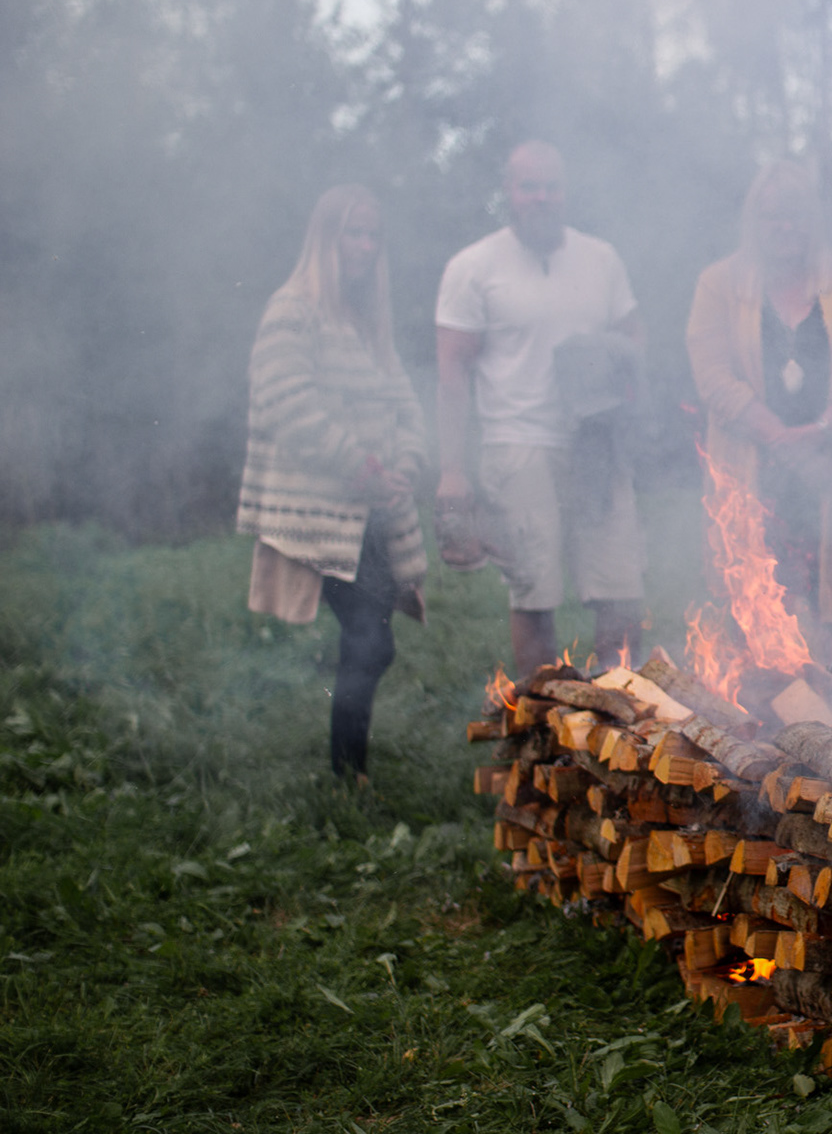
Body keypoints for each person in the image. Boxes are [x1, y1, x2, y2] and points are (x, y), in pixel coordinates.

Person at [237, 185, 429, 779]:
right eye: (353, 232)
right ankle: (348, 776)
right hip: (319, 515)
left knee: (373, 640)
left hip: (370, 512)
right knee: (371, 640)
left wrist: (408, 462)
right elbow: (286, 406)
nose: (365, 246)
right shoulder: (291, 309)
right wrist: (362, 466)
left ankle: (350, 773)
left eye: (373, 234)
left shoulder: (368, 322)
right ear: (326, 238)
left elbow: (403, 404)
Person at [435, 141, 647, 675]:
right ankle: (541, 733)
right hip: (518, 445)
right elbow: (452, 373)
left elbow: (633, 342)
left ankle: (621, 723)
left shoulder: (600, 259)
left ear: (565, 191)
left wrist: (616, 390)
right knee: (535, 598)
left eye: (552, 186)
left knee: (620, 592)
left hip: (596, 447)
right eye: (529, 186)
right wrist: (452, 471)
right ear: (509, 192)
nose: (542, 197)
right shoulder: (474, 267)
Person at [685, 161, 832, 642]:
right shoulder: (719, 283)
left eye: (796, 214)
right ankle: (759, 710)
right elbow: (712, 374)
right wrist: (778, 437)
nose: (785, 227)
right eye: (772, 216)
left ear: (814, 219)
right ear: (752, 221)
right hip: (749, 474)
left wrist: (822, 429)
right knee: (754, 616)